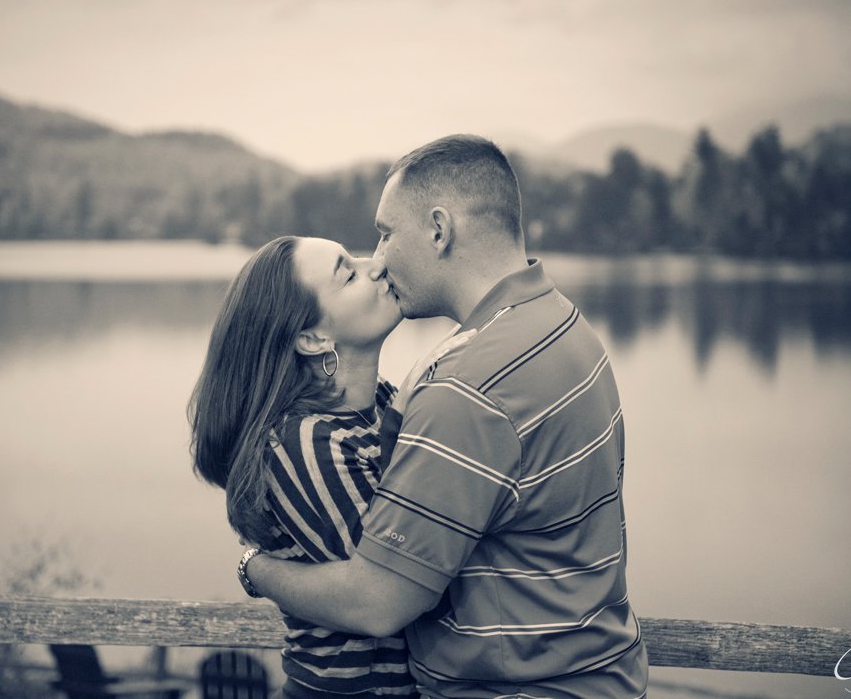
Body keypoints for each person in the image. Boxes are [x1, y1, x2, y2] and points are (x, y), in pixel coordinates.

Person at [243, 135, 649, 698]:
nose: (378, 258)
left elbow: (378, 599)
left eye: (386, 233)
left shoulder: (466, 387)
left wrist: (255, 570)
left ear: (439, 229)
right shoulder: (565, 327)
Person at [189, 235, 421, 698]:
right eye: (348, 273)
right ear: (314, 338)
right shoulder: (307, 442)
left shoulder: (382, 404)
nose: (376, 266)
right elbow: (386, 598)